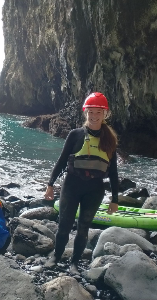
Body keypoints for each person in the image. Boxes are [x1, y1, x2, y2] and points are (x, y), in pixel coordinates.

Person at [43, 92, 119, 274]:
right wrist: (50, 184)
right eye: (90, 112)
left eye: (98, 113)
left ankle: (74, 264)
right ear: (85, 112)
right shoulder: (75, 135)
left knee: (83, 228)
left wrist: (115, 198)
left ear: (105, 114)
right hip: (71, 186)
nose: (94, 116)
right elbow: (61, 161)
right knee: (64, 225)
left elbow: (114, 172)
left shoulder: (109, 140)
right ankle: (55, 257)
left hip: (95, 190)